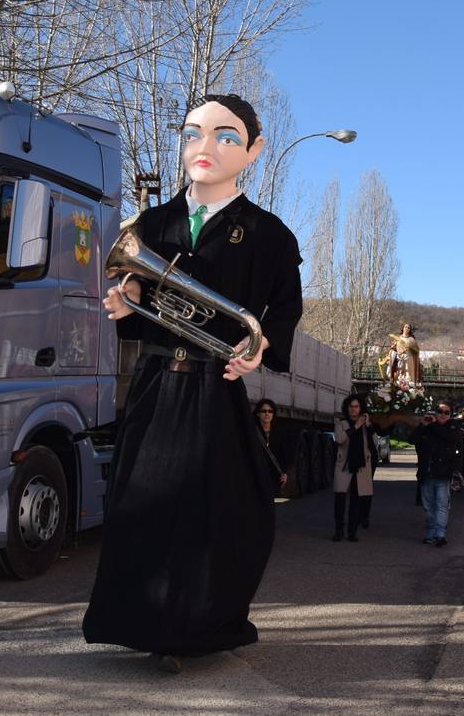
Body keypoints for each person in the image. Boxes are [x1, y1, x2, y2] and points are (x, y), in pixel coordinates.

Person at [84, 93, 302, 674]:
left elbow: (282, 310)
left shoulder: (269, 234)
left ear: (253, 152)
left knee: (227, 512)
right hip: (157, 384)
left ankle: (206, 623)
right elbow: (136, 292)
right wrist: (126, 302)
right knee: (142, 506)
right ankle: (144, 624)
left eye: (226, 136)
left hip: (214, 386)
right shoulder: (151, 224)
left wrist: (259, 349)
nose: (206, 147)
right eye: (194, 133)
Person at [411, 403, 463, 546]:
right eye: (440, 411)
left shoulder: (453, 427)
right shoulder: (427, 427)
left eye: (446, 412)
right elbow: (412, 439)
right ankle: (430, 533)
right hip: (427, 473)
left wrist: (457, 471)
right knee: (428, 507)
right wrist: (422, 425)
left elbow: (449, 438)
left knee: (441, 505)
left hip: (443, 474)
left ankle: (440, 534)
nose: (442, 414)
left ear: (450, 415)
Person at [333, 393, 376, 542]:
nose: (354, 409)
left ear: (361, 408)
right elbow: (339, 439)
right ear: (347, 408)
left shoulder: (366, 425)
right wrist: (356, 427)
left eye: (356, 406)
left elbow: (373, 444)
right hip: (344, 465)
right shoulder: (341, 423)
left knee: (356, 500)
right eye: (351, 406)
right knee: (340, 499)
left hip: (360, 466)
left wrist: (368, 426)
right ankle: (339, 531)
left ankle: (352, 532)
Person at [253, 398, 289, 489]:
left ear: (273, 414)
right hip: (256, 475)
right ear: (258, 414)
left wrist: (284, 473)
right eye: (263, 411)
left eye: (270, 411)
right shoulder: (252, 432)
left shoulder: (278, 433)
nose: (267, 414)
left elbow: (283, 454)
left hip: (273, 477)